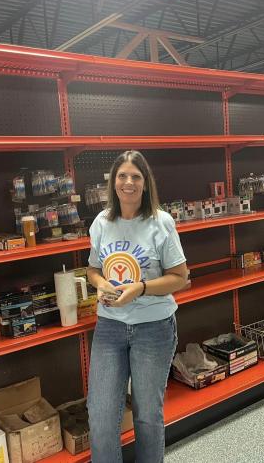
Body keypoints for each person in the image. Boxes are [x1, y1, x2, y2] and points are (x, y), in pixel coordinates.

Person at [86, 150, 188, 463]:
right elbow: (91, 268)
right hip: (110, 327)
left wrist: (140, 289)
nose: (128, 182)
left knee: (147, 416)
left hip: (154, 328)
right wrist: (100, 283)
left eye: (136, 176)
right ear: (113, 182)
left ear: (145, 184)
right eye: (122, 176)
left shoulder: (161, 222)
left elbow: (180, 277)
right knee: (101, 417)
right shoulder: (102, 222)